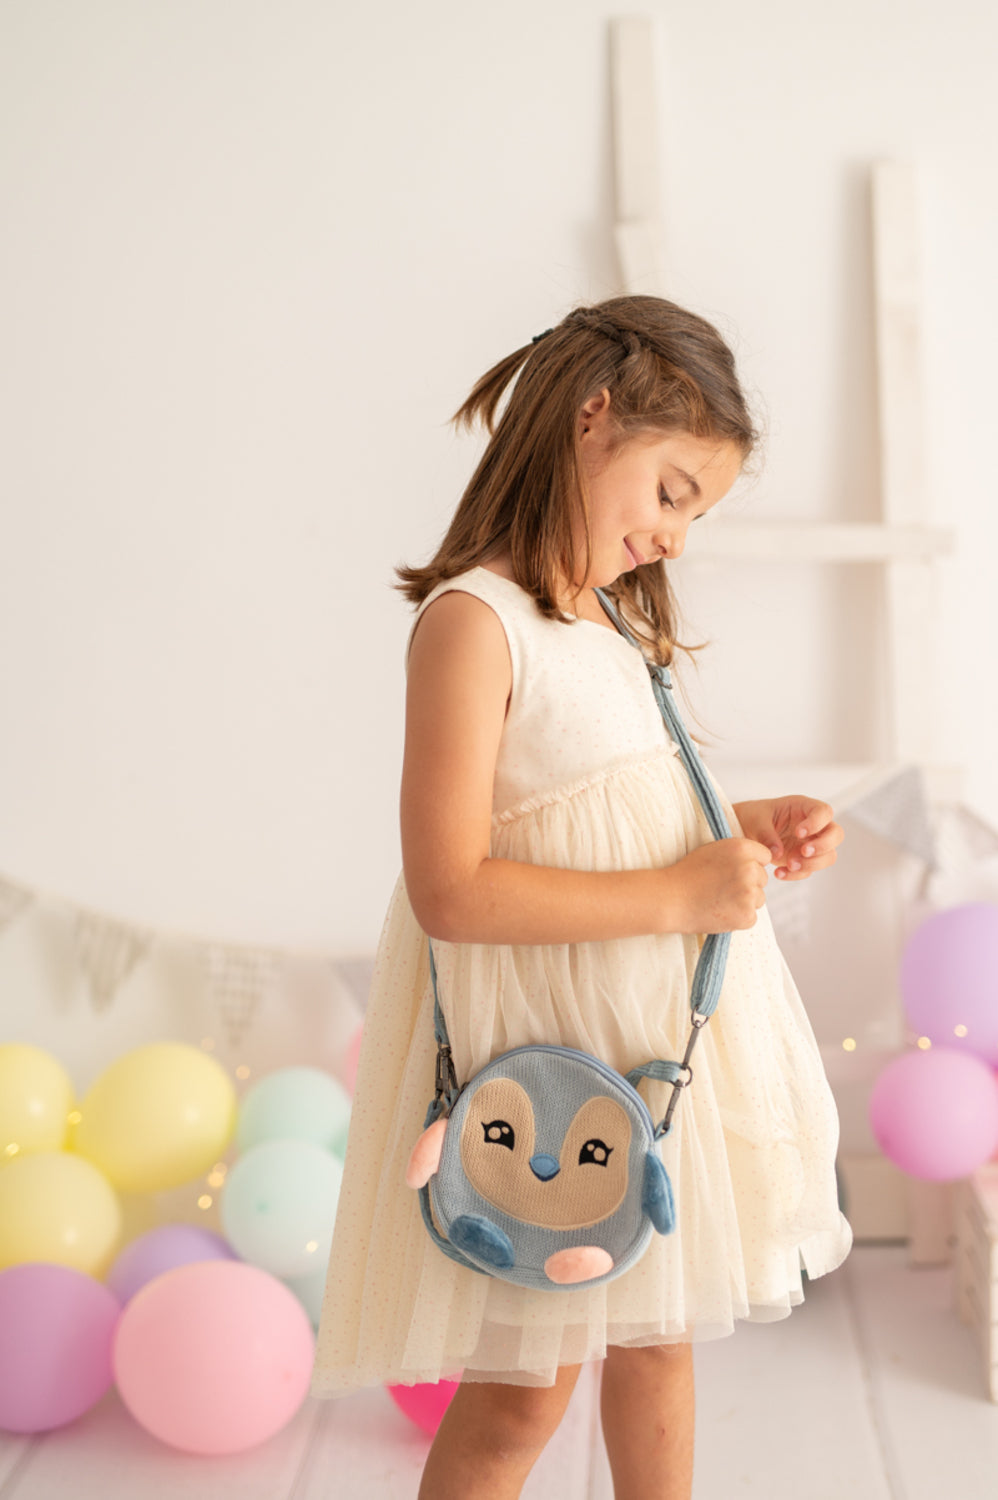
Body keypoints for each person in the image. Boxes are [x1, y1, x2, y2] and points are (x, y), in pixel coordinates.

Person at [311, 295, 852, 1500]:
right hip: (553, 1079)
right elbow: (450, 888)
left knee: (659, 1347)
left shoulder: (610, 626)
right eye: (670, 493)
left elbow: (602, 811)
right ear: (590, 418)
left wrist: (736, 824)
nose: (675, 538)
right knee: (522, 1395)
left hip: (650, 1062)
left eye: (694, 515)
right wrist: (675, 893)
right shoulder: (474, 624)